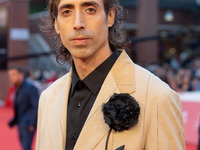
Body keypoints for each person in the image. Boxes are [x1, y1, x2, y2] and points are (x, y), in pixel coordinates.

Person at [36, 0, 186, 149]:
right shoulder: (48, 99)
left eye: (90, 9)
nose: (78, 23)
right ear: (56, 24)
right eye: (66, 12)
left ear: (110, 15)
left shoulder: (158, 97)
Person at [8, 66, 39, 150]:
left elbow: (36, 106)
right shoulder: (18, 88)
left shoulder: (30, 88)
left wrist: (32, 123)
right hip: (21, 123)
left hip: (28, 124)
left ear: (21, 75)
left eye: (13, 75)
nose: (11, 78)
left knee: (26, 148)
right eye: (10, 75)